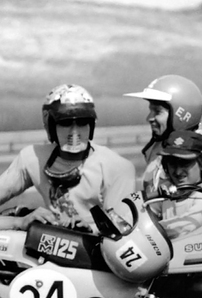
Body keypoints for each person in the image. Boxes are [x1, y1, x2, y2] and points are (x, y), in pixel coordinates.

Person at [0, 85, 136, 232]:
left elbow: (125, 229)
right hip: (48, 241)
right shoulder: (32, 158)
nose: (74, 132)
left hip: (97, 244)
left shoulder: (117, 167)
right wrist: (20, 222)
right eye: (65, 123)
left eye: (82, 122)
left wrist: (91, 228)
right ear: (51, 126)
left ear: (91, 125)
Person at [124, 74, 202, 199]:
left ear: (180, 113)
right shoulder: (157, 150)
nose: (149, 118)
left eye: (157, 112)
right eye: (150, 111)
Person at [151, 130, 202, 237]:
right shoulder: (168, 190)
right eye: (172, 163)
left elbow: (184, 226)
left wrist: (150, 231)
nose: (178, 172)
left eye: (185, 163)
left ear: (201, 164)